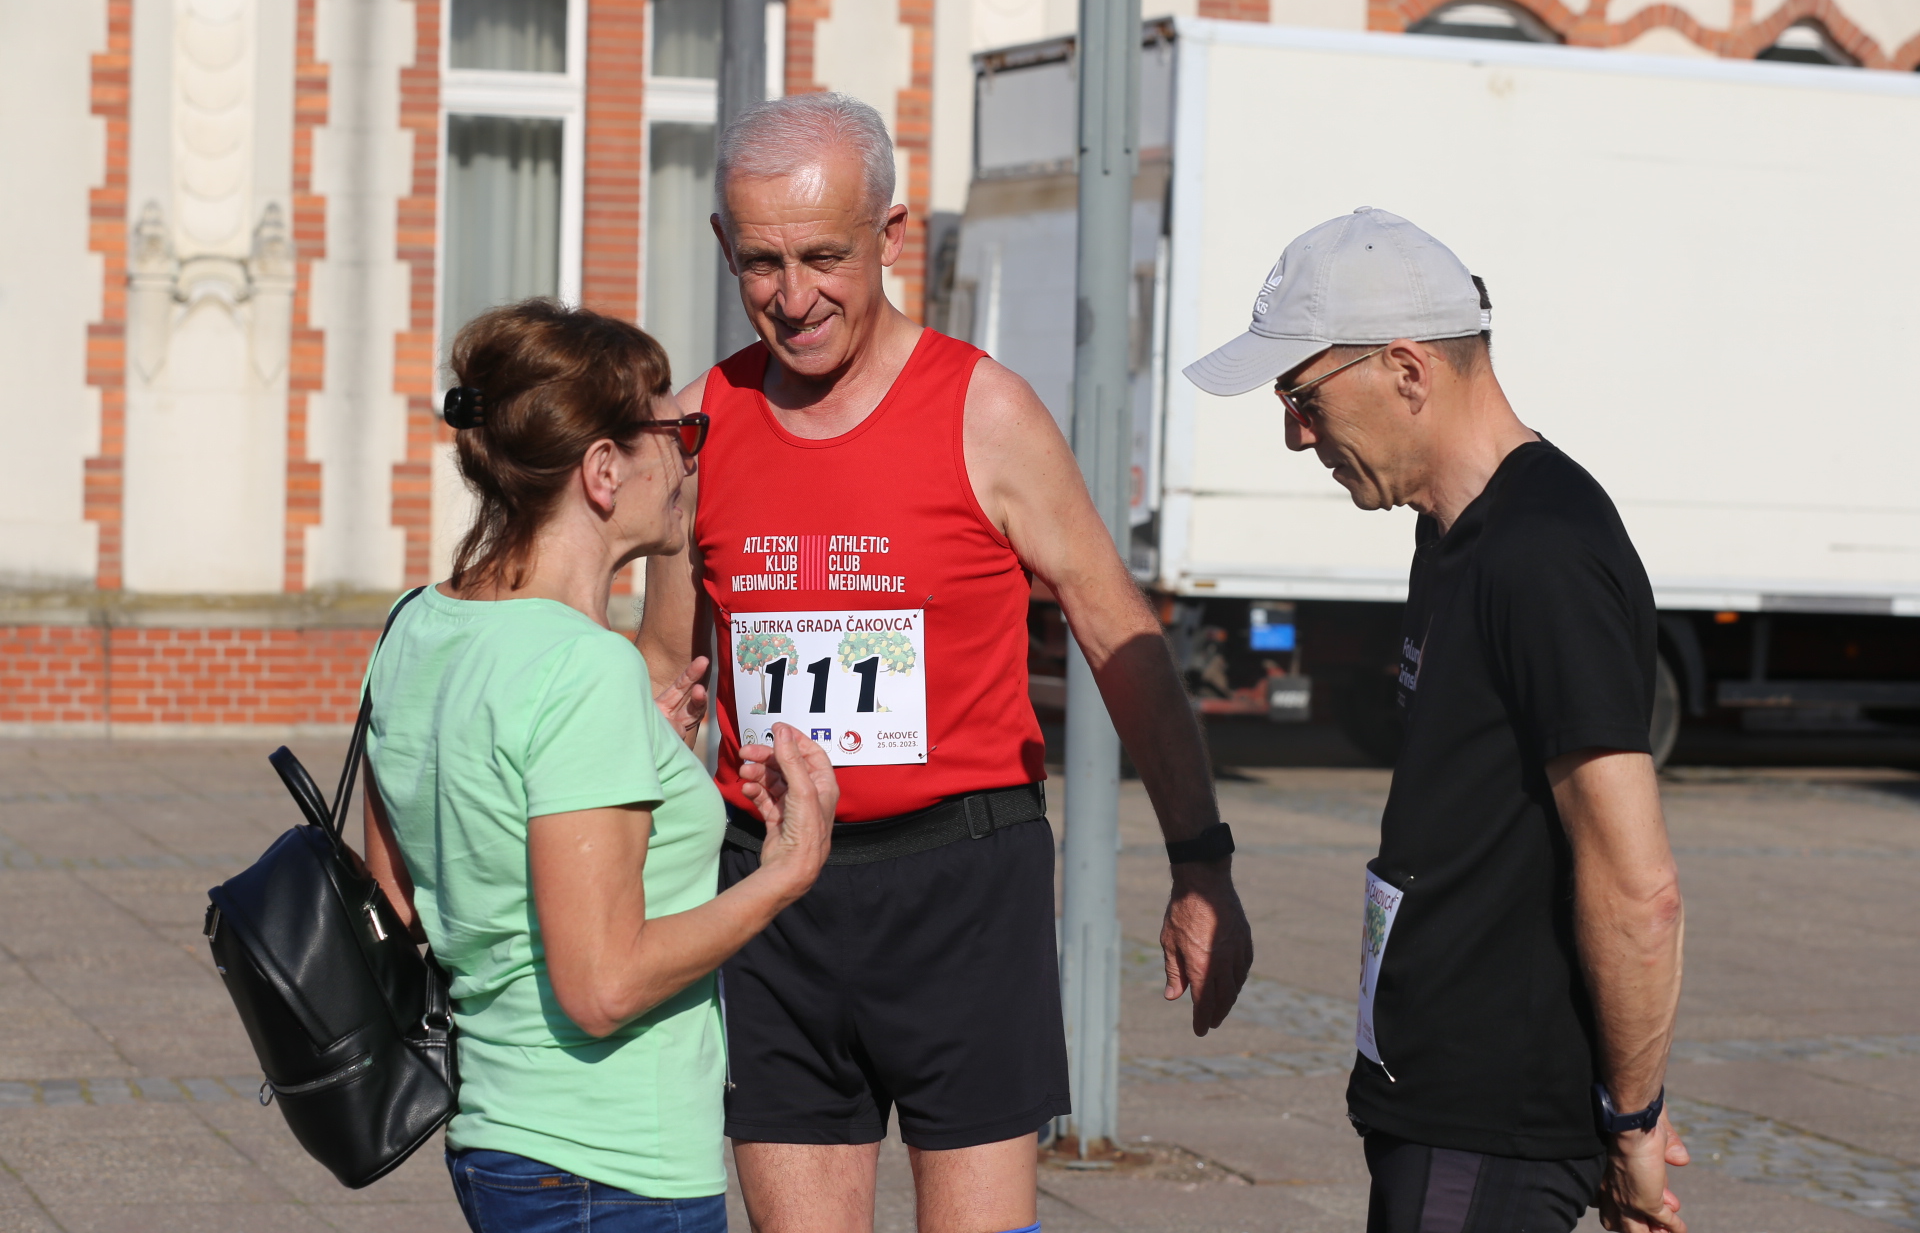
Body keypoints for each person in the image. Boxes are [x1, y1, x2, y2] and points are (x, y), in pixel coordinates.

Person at [637, 92, 1254, 1233]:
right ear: (725, 247)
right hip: (770, 893)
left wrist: (1200, 858)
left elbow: (1121, 637)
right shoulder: (697, 426)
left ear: (893, 235)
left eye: (824, 255)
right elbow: (659, 671)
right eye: (761, 262)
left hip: (962, 884)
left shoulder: (985, 412)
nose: (794, 295)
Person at [1183, 208, 1689, 1233]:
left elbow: (1639, 886)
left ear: (1407, 370)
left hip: (1491, 1118)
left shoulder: (1542, 552)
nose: (1294, 433)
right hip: (1440, 1098)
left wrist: (1631, 1117)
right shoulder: (1452, 532)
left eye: (1303, 395)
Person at [357, 300, 838, 1232]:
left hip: (500, 1142)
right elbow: (604, 985)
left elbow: (401, 901)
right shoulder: (583, 671)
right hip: (608, 1167)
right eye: (674, 429)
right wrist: (787, 875)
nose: (689, 456)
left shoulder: (415, 626)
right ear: (604, 469)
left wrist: (633, 752)